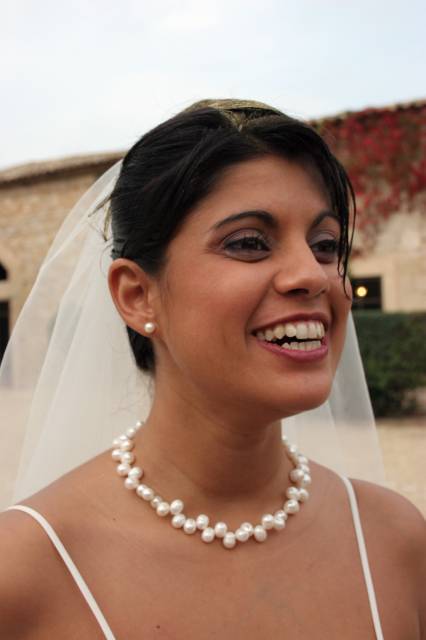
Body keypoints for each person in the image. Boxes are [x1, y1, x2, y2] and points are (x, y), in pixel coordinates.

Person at [0, 99, 424, 639]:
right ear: (137, 295)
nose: (313, 275)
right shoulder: (23, 574)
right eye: (249, 243)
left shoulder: (397, 541)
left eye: (325, 246)